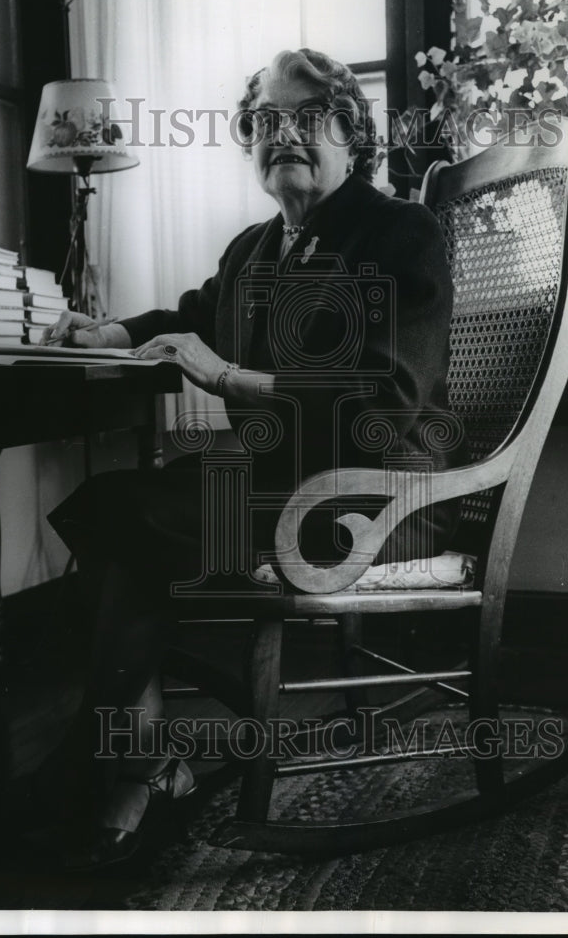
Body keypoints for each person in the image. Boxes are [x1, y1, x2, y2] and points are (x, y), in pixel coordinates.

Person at [35, 48, 465, 870]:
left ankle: (112, 772)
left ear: (354, 134)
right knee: (114, 507)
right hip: (287, 486)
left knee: (133, 516)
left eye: (307, 117)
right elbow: (195, 311)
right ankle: (138, 762)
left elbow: (381, 403)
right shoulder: (256, 248)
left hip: (383, 497)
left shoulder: (400, 234)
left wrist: (226, 373)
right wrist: (111, 331)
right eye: (266, 121)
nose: (283, 134)